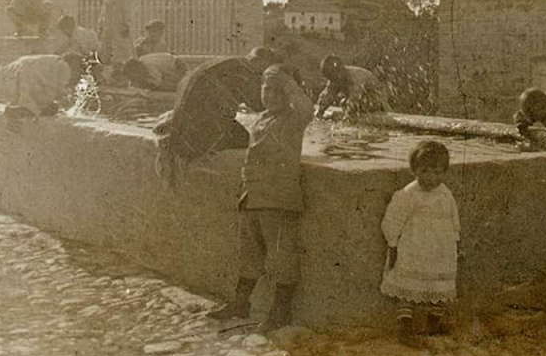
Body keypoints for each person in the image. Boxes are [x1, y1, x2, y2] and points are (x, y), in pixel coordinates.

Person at [208, 65, 314, 332]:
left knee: (280, 256)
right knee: (250, 252)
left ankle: (281, 311)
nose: (272, 95)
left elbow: (306, 108)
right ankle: (241, 302)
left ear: (288, 93)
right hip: (253, 195)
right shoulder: (262, 118)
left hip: (278, 198)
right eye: (267, 89)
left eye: (278, 90)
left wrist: (288, 82)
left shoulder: (292, 119)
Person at [381, 140, 460, 346]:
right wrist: (393, 244)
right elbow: (393, 220)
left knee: (440, 288)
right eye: (425, 171)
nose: (431, 177)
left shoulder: (445, 193)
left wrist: (456, 242)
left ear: (444, 172)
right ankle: (405, 328)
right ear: (415, 170)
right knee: (408, 287)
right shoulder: (408, 194)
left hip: (441, 250)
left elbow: (454, 219)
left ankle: (432, 325)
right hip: (414, 248)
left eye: (437, 172)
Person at [154, 47, 278, 175]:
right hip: (199, 122)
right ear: (258, 62)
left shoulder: (229, 62)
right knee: (245, 139)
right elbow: (260, 105)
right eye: (266, 69)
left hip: (185, 114)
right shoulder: (245, 72)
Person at [0, 53, 84, 119]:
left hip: (10, 72)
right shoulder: (64, 66)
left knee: (33, 106)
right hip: (25, 75)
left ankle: (17, 110)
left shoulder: (51, 61)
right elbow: (58, 89)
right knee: (34, 109)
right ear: (75, 66)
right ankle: (17, 111)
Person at [315, 55, 391, 118]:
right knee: (344, 103)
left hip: (377, 100)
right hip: (363, 100)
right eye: (330, 78)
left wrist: (346, 118)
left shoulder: (356, 77)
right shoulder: (335, 78)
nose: (332, 81)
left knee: (346, 104)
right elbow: (328, 94)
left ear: (339, 71)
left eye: (333, 77)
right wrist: (320, 111)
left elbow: (355, 98)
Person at [98, 0, 134, 68]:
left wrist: (126, 26)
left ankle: (122, 72)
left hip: (119, 29)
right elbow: (103, 14)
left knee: (121, 53)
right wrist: (101, 26)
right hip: (108, 29)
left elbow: (127, 13)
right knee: (106, 52)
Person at [122, 53, 188, 92]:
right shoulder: (141, 61)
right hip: (171, 63)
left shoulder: (149, 67)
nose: (135, 80)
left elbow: (158, 83)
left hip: (178, 67)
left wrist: (146, 85)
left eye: (134, 78)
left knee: (167, 87)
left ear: (137, 71)